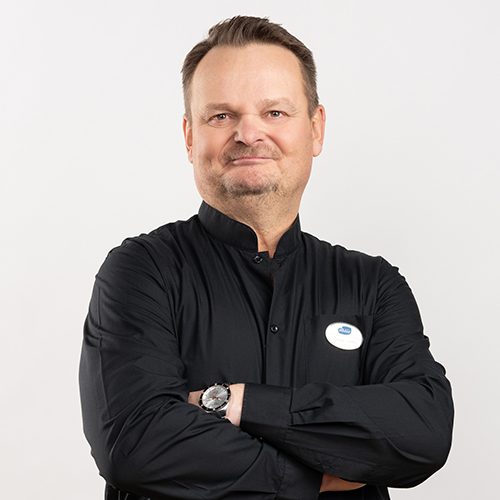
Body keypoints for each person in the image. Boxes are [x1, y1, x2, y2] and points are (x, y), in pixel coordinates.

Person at [79, 15, 454, 500]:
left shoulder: (373, 285)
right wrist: (314, 476)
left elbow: (423, 431)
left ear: (315, 129)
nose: (248, 133)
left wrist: (237, 404)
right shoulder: (141, 272)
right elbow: (134, 444)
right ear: (190, 137)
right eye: (221, 116)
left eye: (274, 112)